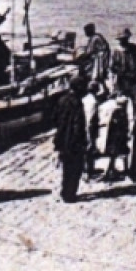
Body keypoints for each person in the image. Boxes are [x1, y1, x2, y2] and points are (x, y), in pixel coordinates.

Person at [51, 75, 90, 203]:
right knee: (75, 167)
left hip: (62, 138)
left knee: (66, 167)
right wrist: (83, 140)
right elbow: (78, 124)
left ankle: (64, 191)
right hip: (74, 139)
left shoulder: (61, 100)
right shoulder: (77, 102)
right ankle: (70, 194)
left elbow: (55, 118)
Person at [96, 86, 131, 182]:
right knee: (122, 152)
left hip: (110, 133)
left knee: (112, 152)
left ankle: (110, 170)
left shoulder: (107, 107)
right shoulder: (120, 111)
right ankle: (122, 170)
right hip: (119, 134)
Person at [112, 27, 136, 99]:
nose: (124, 40)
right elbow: (112, 67)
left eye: (126, 38)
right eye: (122, 39)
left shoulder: (133, 48)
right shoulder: (116, 50)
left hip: (132, 77)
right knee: (122, 97)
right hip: (121, 78)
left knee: (134, 96)